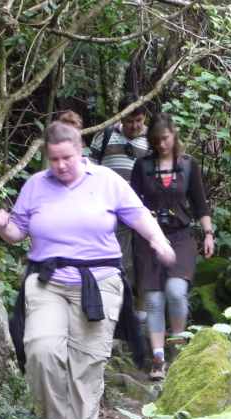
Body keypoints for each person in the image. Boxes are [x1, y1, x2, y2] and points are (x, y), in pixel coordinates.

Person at [0, 121, 175, 419]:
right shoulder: (35, 185)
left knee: (86, 366)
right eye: (54, 159)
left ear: (81, 152)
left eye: (67, 158)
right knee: (41, 351)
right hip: (47, 280)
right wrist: (2, 226)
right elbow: (17, 232)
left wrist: (159, 241)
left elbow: (138, 216)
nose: (61, 166)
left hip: (99, 282)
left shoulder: (107, 181)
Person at [130, 113, 214, 380]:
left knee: (176, 291)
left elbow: (200, 203)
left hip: (180, 236)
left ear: (174, 136)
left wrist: (208, 233)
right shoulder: (142, 166)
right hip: (148, 239)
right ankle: (158, 358)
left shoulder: (188, 165)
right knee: (154, 300)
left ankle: (178, 346)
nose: (161, 144)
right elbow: (131, 203)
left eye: (165, 138)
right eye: (156, 140)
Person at [89, 95, 149, 292]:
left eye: (139, 120)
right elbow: (91, 169)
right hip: (106, 208)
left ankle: (130, 299)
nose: (134, 126)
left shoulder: (152, 139)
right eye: (129, 121)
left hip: (138, 210)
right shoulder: (105, 134)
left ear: (145, 118)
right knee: (108, 256)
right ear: (121, 117)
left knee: (135, 259)